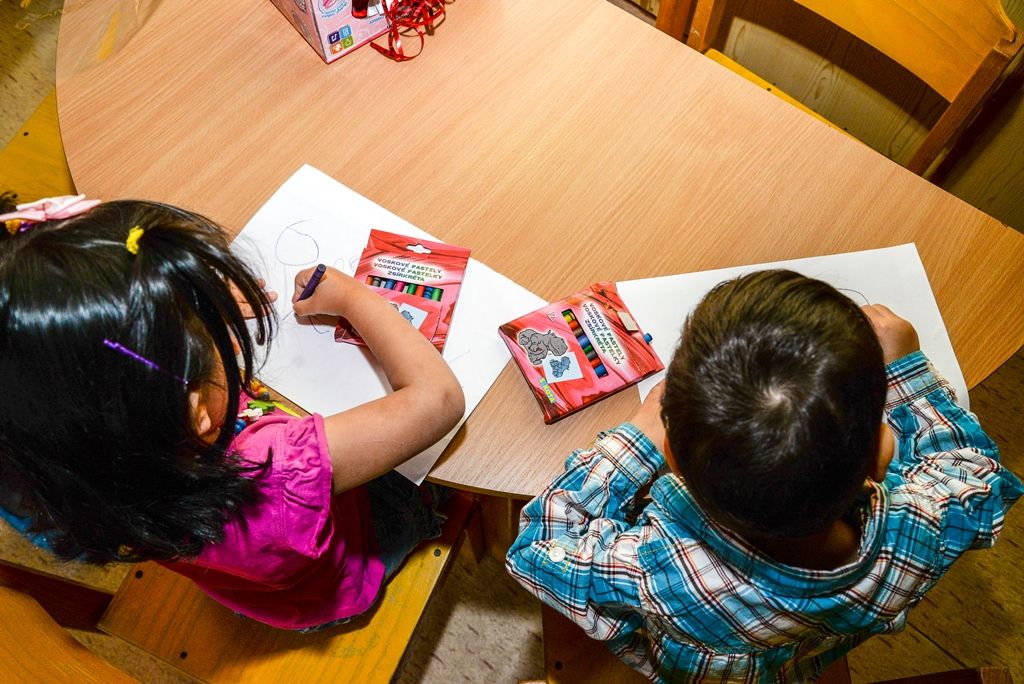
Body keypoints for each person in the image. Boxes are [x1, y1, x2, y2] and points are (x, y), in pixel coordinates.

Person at [506, 269, 1022, 682]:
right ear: (879, 458)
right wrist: (908, 374)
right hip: (801, 655)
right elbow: (977, 476)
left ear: (674, 459)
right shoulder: (917, 531)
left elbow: (535, 550)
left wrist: (636, 441)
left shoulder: (654, 569)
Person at [0, 193, 464, 630]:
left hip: (245, 579)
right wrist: (354, 299)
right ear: (197, 410)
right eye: (205, 336)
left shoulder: (59, 463)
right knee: (427, 482)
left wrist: (191, 305)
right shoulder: (273, 468)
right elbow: (437, 400)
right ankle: (420, 519)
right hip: (339, 571)